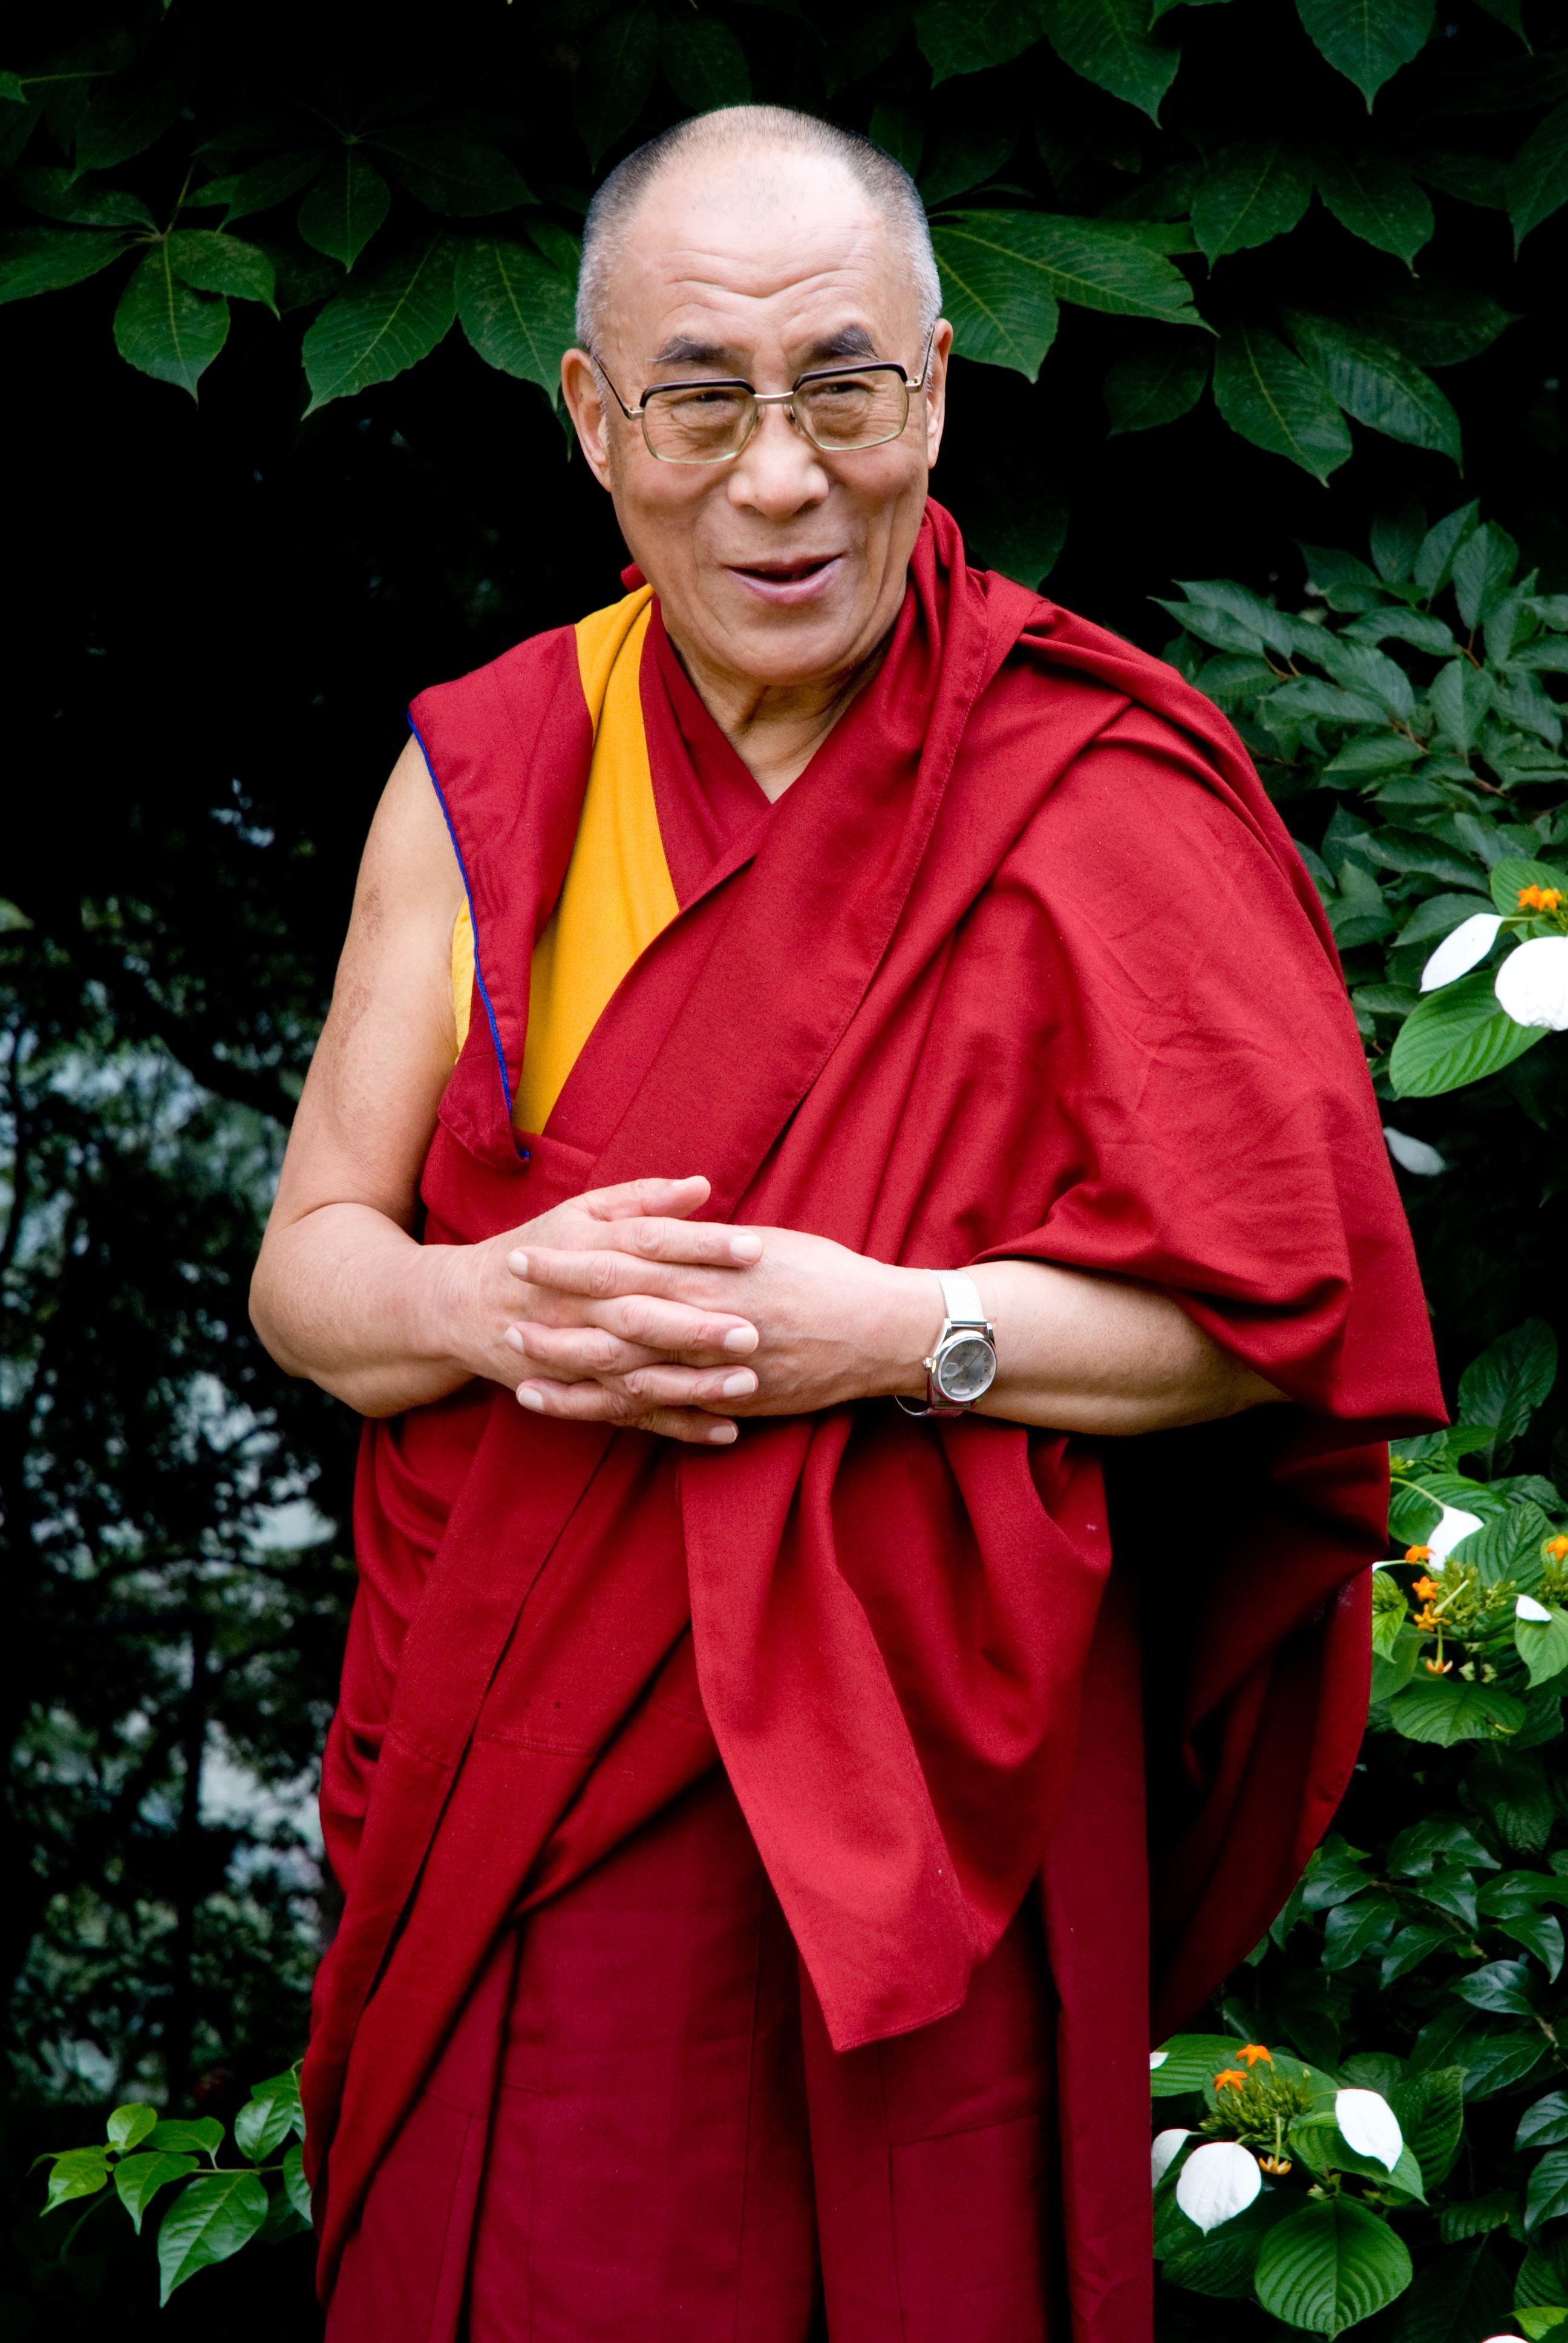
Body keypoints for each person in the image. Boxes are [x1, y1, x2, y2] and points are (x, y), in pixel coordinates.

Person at [251, 103, 1443, 2343]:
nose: (782, 479)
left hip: (930, 1830)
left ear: (941, 388)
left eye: (845, 389)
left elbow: (1288, 1319)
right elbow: (313, 1264)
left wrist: (900, 1334)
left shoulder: (1090, 786)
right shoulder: (491, 769)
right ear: (594, 420)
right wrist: (487, 1302)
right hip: (536, 1810)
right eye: (703, 400)